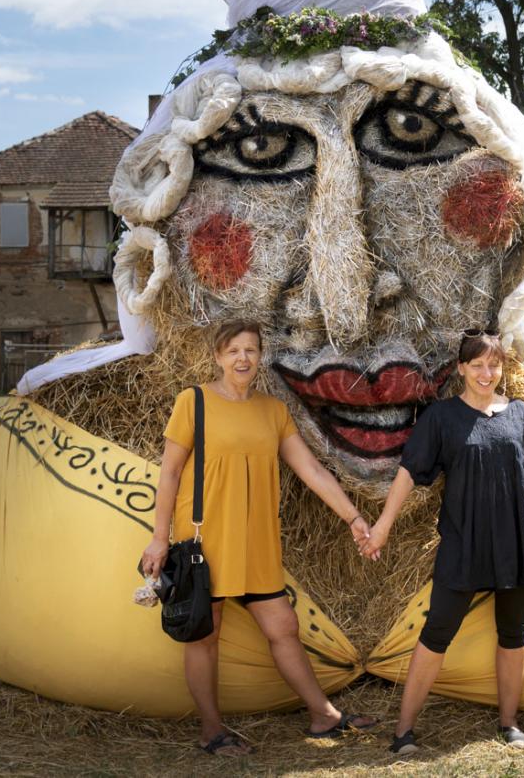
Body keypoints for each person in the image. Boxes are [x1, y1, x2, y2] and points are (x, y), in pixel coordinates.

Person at [139, 320, 378, 755]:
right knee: (205, 635)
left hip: (257, 542)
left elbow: (311, 469)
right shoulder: (194, 402)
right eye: (233, 351)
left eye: (250, 350)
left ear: (260, 356)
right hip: (206, 542)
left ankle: (323, 716)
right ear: (218, 357)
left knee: (283, 627)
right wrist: (159, 538)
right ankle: (212, 731)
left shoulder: (273, 411)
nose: (242, 359)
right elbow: (169, 473)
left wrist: (352, 517)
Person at [360, 330, 524, 753]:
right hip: (465, 540)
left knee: (514, 632)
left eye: (494, 365)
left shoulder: (521, 414)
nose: (487, 373)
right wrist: (382, 527)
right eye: (478, 365)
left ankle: (509, 724)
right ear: (462, 368)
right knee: (437, 631)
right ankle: (403, 732)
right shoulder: (442, 417)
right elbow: (409, 472)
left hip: (517, 537)